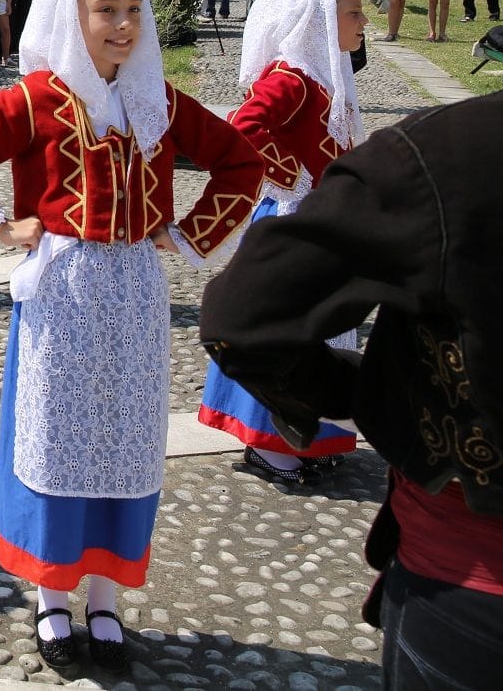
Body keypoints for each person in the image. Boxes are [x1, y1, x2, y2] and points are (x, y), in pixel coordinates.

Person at [0, 0, 262, 675]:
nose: (124, 24)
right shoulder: (38, 99)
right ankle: (50, 598)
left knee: (125, 440)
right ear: (73, 13)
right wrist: (0, 224)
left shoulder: (154, 99)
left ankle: (103, 597)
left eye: (134, 8)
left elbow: (241, 160)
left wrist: (189, 231)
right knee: (58, 438)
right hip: (64, 295)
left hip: (134, 291)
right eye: (107, 9)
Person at [200, 91, 503, 691]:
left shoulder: (448, 148)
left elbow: (243, 318)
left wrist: (365, 391)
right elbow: (248, 128)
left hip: (471, 582)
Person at [197, 0, 368, 484]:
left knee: (321, 327)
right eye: (354, 13)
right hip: (294, 222)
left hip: (322, 222)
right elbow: (246, 122)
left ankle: (314, 432)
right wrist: (294, 176)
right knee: (285, 330)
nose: (363, 23)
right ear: (320, 20)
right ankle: (271, 442)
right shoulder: (293, 78)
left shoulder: (326, 76)